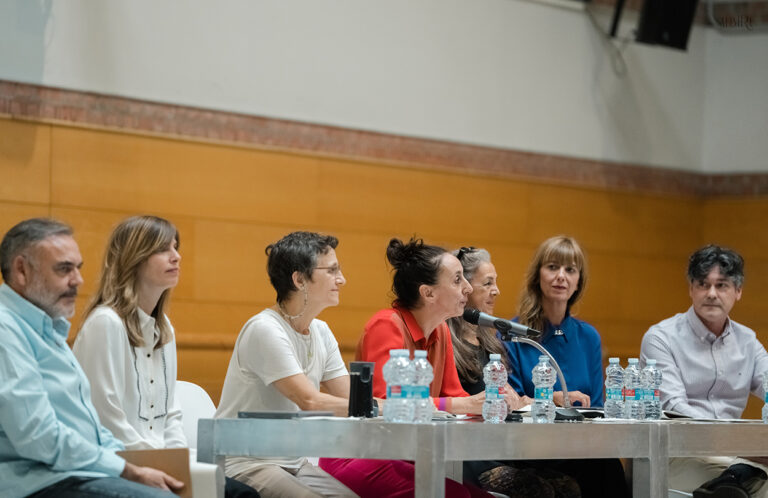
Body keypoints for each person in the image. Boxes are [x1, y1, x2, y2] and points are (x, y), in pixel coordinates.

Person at [72, 215, 259, 498]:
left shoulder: (163, 328)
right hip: (117, 464)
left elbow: (171, 412)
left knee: (243, 495)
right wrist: (159, 465)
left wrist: (178, 462)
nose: (176, 257)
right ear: (133, 259)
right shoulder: (105, 323)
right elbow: (105, 417)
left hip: (159, 462)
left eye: (175, 247)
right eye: (163, 250)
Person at [0, 218, 182, 498]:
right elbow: (38, 437)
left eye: (78, 268)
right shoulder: (6, 329)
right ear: (22, 270)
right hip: (36, 481)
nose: (78, 280)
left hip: (78, 471)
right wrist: (128, 469)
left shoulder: (49, 330)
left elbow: (94, 429)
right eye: (64, 269)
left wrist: (138, 464)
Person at [319, 237, 495, 498]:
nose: (468, 288)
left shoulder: (441, 330)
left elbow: (455, 397)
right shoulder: (386, 325)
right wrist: (461, 406)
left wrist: (495, 401)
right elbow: (384, 405)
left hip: (408, 455)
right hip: (359, 453)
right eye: (458, 280)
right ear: (428, 293)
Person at [214, 231, 358, 498]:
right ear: (299, 279)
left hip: (293, 462)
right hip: (245, 462)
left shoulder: (322, 331)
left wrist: (409, 407)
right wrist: (389, 407)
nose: (342, 279)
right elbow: (311, 402)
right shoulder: (265, 328)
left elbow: (351, 398)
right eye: (332, 271)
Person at [447, 246, 580, 498]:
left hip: (501, 447)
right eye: (487, 284)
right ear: (464, 288)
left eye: (495, 283)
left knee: (569, 486)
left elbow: (510, 399)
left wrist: (546, 399)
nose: (496, 291)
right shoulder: (446, 343)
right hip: (467, 455)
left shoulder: (491, 341)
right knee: (538, 490)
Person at [503, 235, 629, 498]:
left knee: (608, 467)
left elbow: (597, 406)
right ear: (538, 275)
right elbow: (511, 404)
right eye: (552, 267)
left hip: (582, 449)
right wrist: (556, 399)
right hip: (530, 450)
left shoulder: (588, 337)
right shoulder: (512, 335)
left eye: (570, 270)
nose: (561, 276)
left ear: (578, 282)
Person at [640, 245, 768, 498]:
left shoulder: (748, 341)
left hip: (738, 455)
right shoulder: (661, 338)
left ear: (738, 291)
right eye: (702, 284)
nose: (711, 293)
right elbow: (675, 410)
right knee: (757, 485)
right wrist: (745, 445)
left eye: (721, 285)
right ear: (691, 288)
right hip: (677, 454)